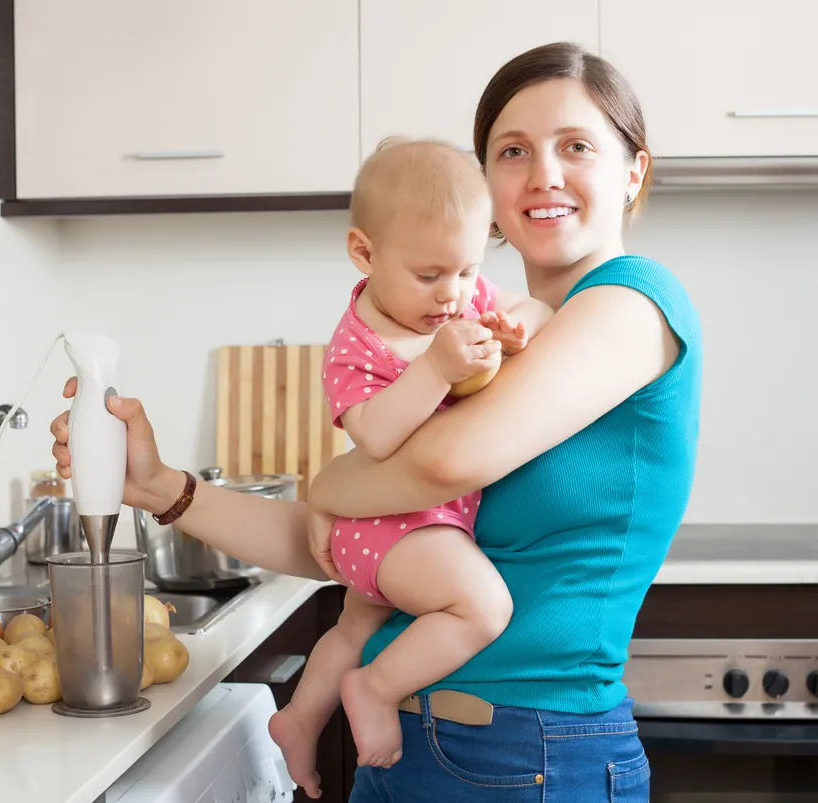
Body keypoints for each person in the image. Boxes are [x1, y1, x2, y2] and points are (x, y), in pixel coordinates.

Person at [52, 41, 701, 803]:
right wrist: (163, 488)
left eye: (577, 147)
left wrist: (332, 481)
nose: (543, 174)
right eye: (513, 150)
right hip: (403, 743)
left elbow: (439, 467)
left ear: (634, 171)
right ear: (485, 182)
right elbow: (346, 545)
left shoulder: (634, 303)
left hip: (530, 753)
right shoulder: (472, 344)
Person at [263, 137, 553, 795]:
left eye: (466, 269)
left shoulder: (461, 292)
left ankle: (301, 719)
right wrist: (435, 368)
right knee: (481, 606)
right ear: (364, 253)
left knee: (353, 626)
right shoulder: (356, 344)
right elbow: (374, 434)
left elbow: (534, 307)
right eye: (429, 276)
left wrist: (517, 328)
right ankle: (376, 687)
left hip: (410, 524)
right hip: (392, 526)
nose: (453, 295)